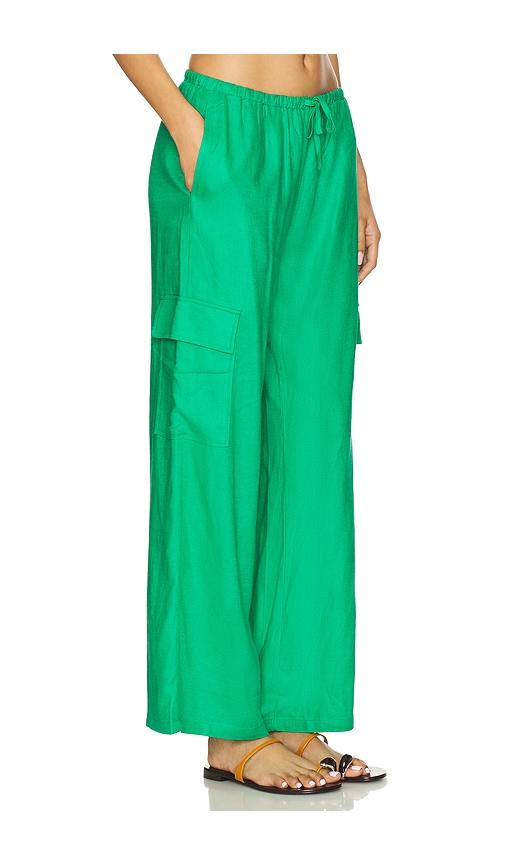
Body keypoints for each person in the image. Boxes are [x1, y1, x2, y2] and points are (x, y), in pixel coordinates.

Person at [114, 53, 385, 795]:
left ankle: (293, 707)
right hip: (222, 130)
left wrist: (353, 165)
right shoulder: (204, 130)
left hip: (323, 134)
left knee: (311, 442)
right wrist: (186, 125)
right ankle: (229, 729)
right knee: (213, 433)